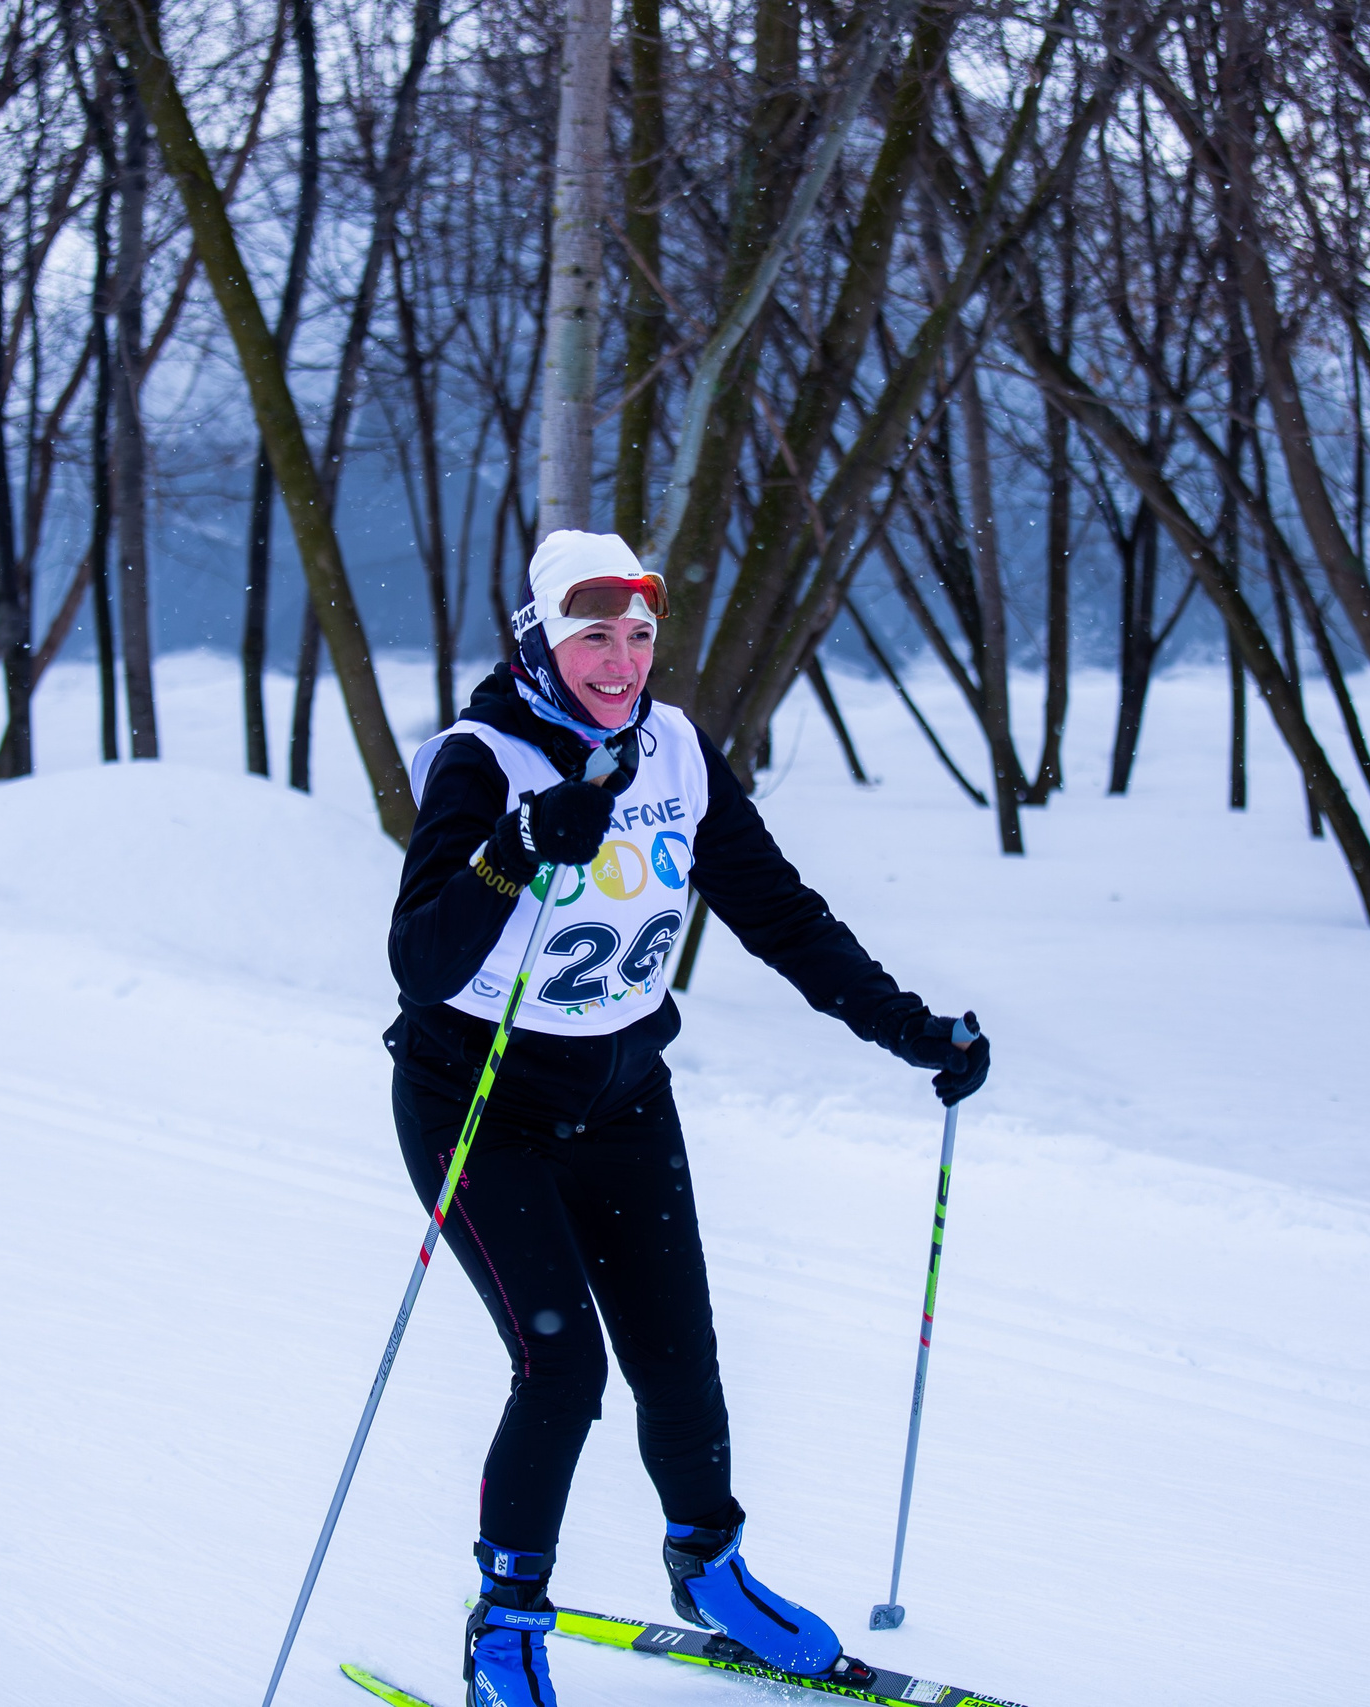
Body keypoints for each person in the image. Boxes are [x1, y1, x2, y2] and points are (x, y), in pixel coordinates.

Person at [386, 531, 990, 1707]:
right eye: (592, 636)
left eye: (638, 636)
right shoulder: (482, 759)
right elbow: (420, 958)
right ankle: (504, 1626)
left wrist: (911, 1030)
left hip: (620, 1098)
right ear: (543, 642)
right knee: (560, 1367)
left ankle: (708, 1570)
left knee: (682, 1358)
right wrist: (516, 849)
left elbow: (780, 913)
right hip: (478, 1104)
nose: (619, 661)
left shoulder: (674, 751)